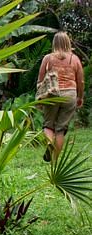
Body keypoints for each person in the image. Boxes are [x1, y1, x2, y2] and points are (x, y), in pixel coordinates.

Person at [37, 31, 85, 162]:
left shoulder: (48, 58)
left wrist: (40, 97)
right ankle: (55, 161)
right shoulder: (75, 59)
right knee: (60, 129)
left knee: (48, 125)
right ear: (68, 42)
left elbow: (40, 80)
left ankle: (49, 143)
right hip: (70, 94)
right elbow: (80, 81)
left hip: (52, 94)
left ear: (54, 43)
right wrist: (80, 97)